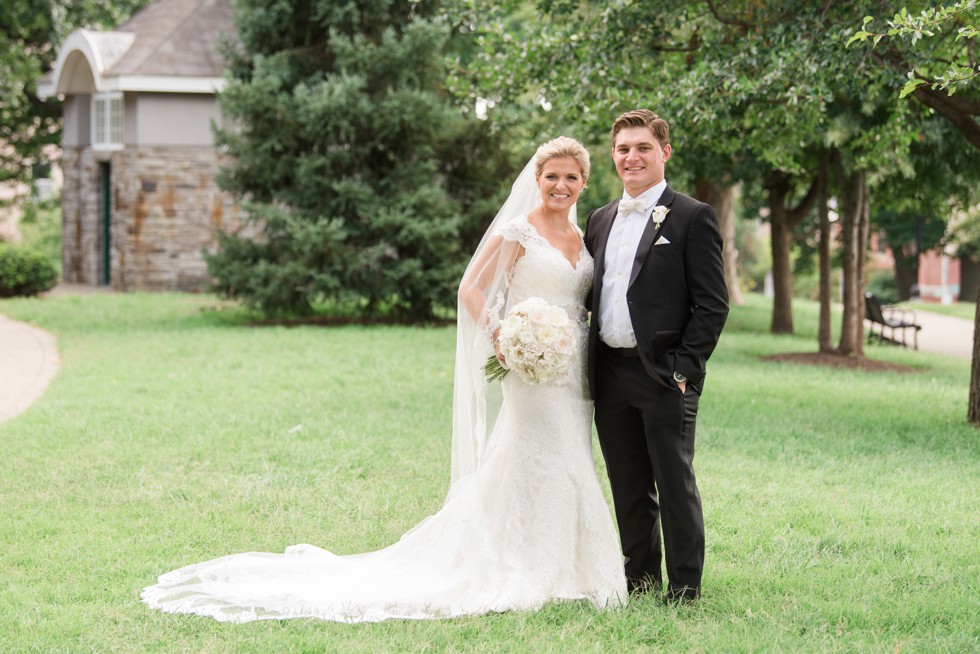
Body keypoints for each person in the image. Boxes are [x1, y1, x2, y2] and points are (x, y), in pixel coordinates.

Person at [141, 136, 627, 623]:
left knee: (570, 451)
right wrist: (505, 335)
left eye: (570, 177)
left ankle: (568, 562)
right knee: (537, 451)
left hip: (573, 369)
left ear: (584, 182)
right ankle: (522, 560)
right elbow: (470, 289)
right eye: (551, 176)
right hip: (527, 367)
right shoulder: (519, 232)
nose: (559, 185)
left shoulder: (584, 239)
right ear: (536, 180)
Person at [584, 110, 729, 602]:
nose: (632, 157)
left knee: (673, 482)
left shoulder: (692, 216)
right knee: (628, 484)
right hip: (609, 371)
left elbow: (713, 304)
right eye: (623, 148)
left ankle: (685, 587)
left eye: (643, 147)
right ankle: (639, 580)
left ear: (664, 152)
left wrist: (684, 370)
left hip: (665, 374)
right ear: (613, 156)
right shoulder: (599, 218)